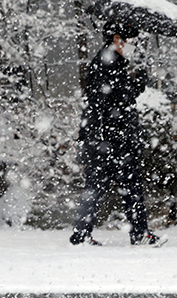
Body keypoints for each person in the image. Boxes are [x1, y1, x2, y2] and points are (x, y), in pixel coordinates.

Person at [70, 21, 164, 247]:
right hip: (109, 140)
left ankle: (132, 233)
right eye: (131, 41)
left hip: (115, 138)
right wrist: (99, 137)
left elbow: (120, 97)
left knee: (120, 187)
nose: (133, 46)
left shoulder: (114, 63)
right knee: (107, 188)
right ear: (117, 39)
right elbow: (102, 102)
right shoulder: (105, 63)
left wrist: (137, 79)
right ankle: (132, 234)